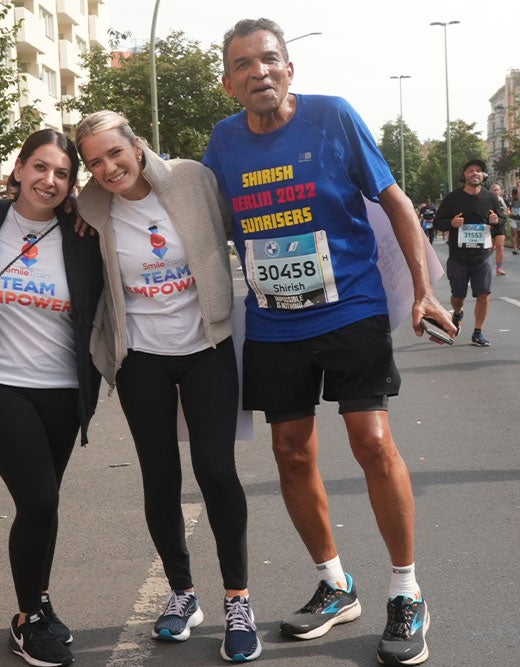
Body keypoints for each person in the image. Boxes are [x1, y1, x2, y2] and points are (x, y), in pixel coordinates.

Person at [203, 19, 455, 667]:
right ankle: (336, 583)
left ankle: (407, 589)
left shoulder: (333, 118)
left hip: (352, 310)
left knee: (371, 440)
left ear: (290, 68)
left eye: (269, 59)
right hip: (276, 322)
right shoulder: (223, 143)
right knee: (290, 452)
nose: (258, 72)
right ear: (229, 82)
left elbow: (396, 201)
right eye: (243, 65)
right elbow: (196, 214)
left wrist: (424, 290)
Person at [75, 110, 261, 663]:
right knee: (160, 477)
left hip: (207, 346)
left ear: (138, 144)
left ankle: (238, 600)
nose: (109, 168)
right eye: (95, 161)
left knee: (215, 469)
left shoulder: (192, 179)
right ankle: (183, 595)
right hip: (141, 359)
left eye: (115, 153)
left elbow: (246, 224)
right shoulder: (90, 206)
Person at [0, 129, 103, 667]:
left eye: (62, 173)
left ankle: (39, 603)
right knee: (38, 498)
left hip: (63, 390)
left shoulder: (83, 232)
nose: (49, 180)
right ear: (18, 169)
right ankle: (26, 617)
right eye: (40, 168)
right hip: (0, 383)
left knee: (45, 503)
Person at [434, 159, 505, 347]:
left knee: (483, 293)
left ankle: (478, 332)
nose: (475, 173)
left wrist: (496, 220)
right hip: (458, 257)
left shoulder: (491, 198)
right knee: (458, 297)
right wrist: (451, 224)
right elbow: (437, 222)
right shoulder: (452, 198)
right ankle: (457, 312)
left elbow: (501, 224)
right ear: (464, 175)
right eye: (471, 170)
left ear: (484, 176)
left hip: (482, 256)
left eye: (479, 171)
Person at [490, 183, 509, 275]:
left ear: (500, 191)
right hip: (490, 226)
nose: (496, 192)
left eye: (498, 190)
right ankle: (484, 266)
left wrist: (507, 213)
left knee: (500, 247)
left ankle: (498, 268)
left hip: (500, 226)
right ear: (490, 191)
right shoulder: (487, 200)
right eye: (494, 190)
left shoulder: (504, 201)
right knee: (489, 248)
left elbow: (508, 210)